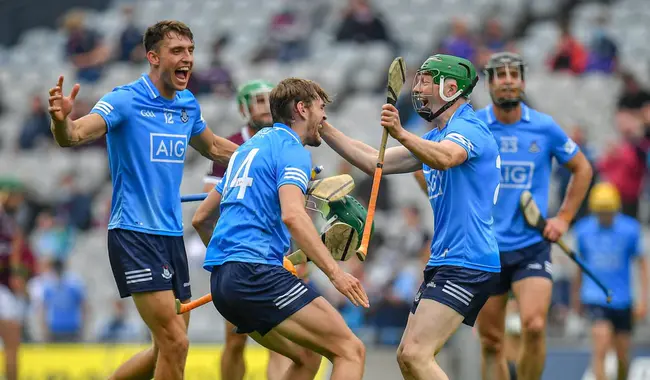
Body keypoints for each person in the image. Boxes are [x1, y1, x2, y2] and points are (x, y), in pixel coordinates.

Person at [48, 20, 238, 380]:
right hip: (134, 234)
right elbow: (72, 136)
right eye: (177, 51)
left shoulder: (187, 104)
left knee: (168, 345)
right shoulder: (123, 99)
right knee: (176, 344)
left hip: (171, 237)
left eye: (191, 51)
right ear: (153, 57)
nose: (188, 59)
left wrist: (264, 160)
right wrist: (61, 121)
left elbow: (213, 146)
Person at [320, 53, 502, 380]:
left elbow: (448, 158)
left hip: (467, 261)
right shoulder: (434, 137)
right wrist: (321, 126)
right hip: (446, 260)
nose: (418, 88)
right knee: (406, 357)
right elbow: (373, 161)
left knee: (417, 356)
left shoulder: (468, 127)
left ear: (450, 87)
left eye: (426, 80)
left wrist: (402, 133)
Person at [192, 77, 369, 380]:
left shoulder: (246, 150)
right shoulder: (292, 150)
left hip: (223, 283)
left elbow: (201, 218)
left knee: (306, 356)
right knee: (351, 351)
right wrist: (336, 274)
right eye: (321, 108)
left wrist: (231, 263)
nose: (324, 117)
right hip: (255, 274)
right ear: (302, 108)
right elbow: (293, 216)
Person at [473, 52, 593, 380]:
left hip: (532, 245)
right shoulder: (475, 127)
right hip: (487, 248)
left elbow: (582, 168)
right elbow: (437, 167)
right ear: (490, 82)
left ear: (523, 81)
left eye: (514, 73)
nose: (508, 79)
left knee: (535, 326)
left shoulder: (544, 127)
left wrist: (564, 218)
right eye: (500, 74)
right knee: (491, 342)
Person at [201, 79, 294, 380]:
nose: (266, 106)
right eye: (258, 100)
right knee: (236, 339)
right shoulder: (228, 147)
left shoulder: (286, 142)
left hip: (279, 251)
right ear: (243, 108)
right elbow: (209, 207)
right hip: (241, 254)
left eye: (270, 99)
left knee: (284, 340)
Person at [572, 182, 648, 380]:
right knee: (601, 346)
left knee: (623, 355)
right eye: (601, 213)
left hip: (623, 299)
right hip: (596, 296)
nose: (605, 217)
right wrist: (576, 297)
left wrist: (643, 299)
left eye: (608, 213)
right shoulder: (583, 230)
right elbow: (580, 267)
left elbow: (642, 266)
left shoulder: (630, 229)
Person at [0, 179, 29, 380]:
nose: (19, 202)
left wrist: (17, 276)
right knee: (12, 345)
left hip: (6, 289)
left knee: (13, 346)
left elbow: (15, 260)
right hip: (3, 291)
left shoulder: (12, 225)